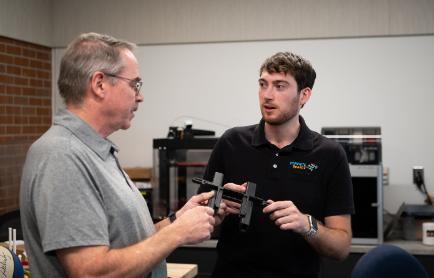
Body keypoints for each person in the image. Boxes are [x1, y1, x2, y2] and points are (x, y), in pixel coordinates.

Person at [20, 32, 223, 278]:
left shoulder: (96, 151)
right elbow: (91, 273)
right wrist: (177, 233)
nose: (140, 95)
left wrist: (176, 221)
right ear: (100, 84)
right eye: (135, 84)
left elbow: (128, 244)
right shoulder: (62, 155)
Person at [199, 52, 354, 278]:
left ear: (304, 95)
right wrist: (215, 210)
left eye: (280, 86)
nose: (267, 96)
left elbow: (341, 248)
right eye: (263, 85)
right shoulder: (231, 143)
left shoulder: (329, 155)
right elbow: (199, 224)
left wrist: (306, 225)